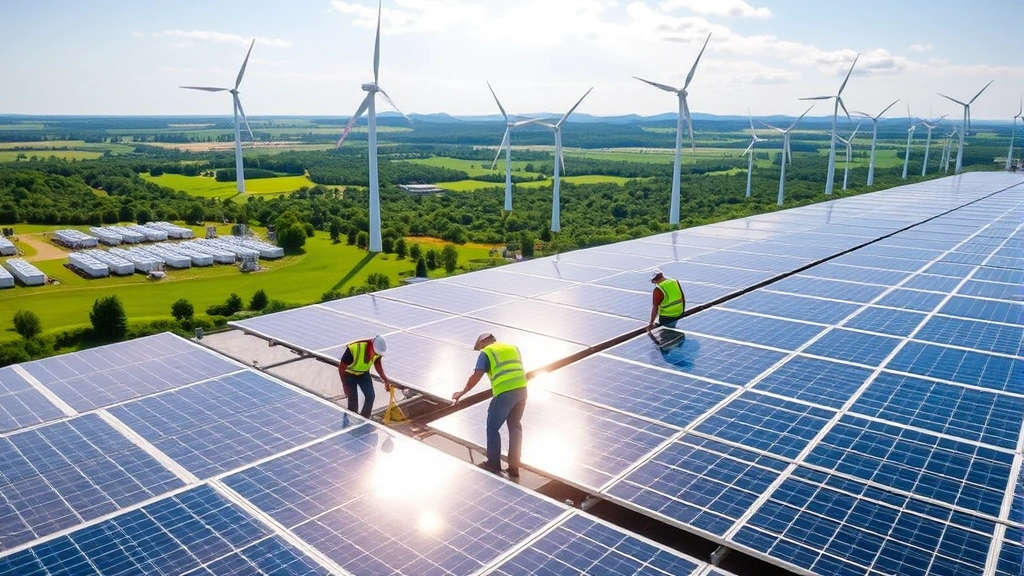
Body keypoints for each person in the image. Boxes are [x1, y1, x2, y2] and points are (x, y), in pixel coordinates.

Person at [452, 333, 527, 478]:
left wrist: (462, 392)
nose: (480, 349)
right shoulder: (512, 348)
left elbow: (477, 375)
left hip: (505, 393)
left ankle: (493, 464)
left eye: (480, 346)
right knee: (515, 427)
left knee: (492, 428)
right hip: (522, 390)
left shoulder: (487, 352)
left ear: (483, 342)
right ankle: (514, 468)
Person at [338, 335, 391, 418]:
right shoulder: (355, 348)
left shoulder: (377, 351)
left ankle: (363, 420)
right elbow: (341, 367)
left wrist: (385, 379)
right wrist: (344, 385)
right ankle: (349, 425)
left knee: (370, 396)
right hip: (349, 374)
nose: (376, 354)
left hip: (363, 374)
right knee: (353, 401)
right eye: (375, 352)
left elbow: (377, 363)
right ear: (371, 345)